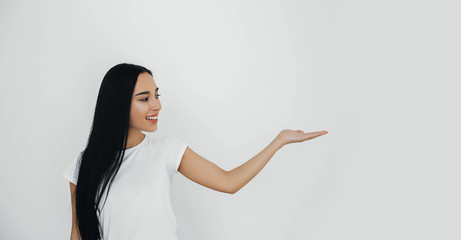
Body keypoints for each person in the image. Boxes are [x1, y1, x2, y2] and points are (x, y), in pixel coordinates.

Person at [62, 63, 328, 240]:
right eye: (144, 99)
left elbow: (229, 181)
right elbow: (78, 231)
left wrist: (278, 141)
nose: (157, 105)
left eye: (157, 95)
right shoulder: (83, 165)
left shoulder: (168, 150)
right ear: (117, 104)